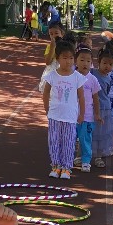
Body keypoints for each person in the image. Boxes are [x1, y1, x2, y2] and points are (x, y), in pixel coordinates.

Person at [42, 40, 83, 179]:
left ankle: (66, 167)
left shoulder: (77, 77)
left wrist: (82, 114)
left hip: (70, 116)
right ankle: (55, 166)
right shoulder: (52, 75)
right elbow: (46, 92)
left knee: (68, 141)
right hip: (54, 115)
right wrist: (47, 108)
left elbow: (81, 97)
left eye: (71, 58)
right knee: (54, 141)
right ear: (58, 58)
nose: (68, 61)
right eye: (65, 58)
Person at [73, 45, 101, 172]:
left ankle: (86, 161)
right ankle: (67, 159)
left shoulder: (92, 79)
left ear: (92, 63)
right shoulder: (71, 76)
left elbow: (96, 99)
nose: (85, 63)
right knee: (70, 139)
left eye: (88, 61)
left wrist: (97, 114)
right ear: (76, 61)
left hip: (87, 117)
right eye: (82, 60)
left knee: (85, 140)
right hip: (71, 116)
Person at [91, 45, 113, 168]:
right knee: (89, 132)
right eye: (105, 63)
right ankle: (85, 155)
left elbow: (106, 92)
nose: (107, 66)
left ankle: (98, 156)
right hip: (92, 108)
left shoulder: (109, 78)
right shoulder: (92, 73)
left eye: (110, 64)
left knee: (101, 134)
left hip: (105, 108)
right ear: (99, 62)